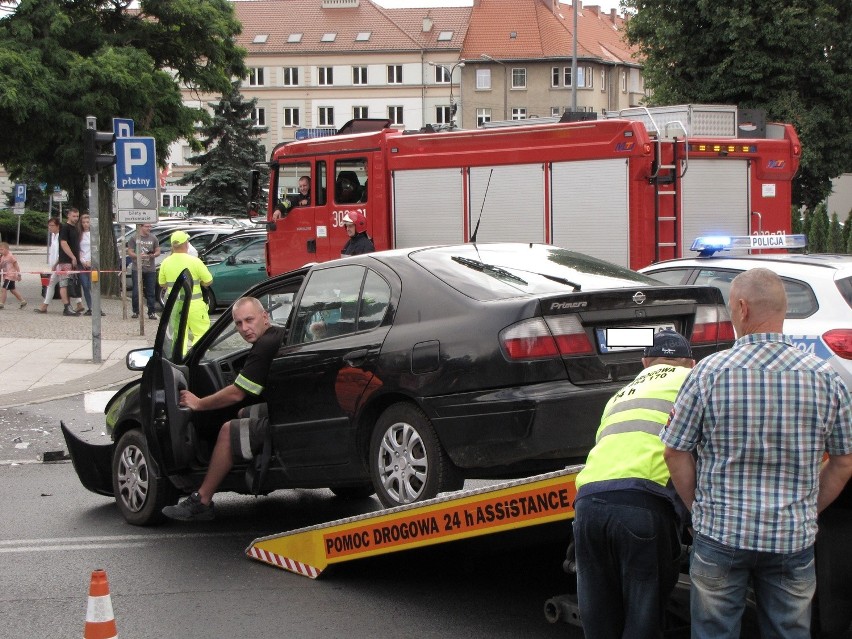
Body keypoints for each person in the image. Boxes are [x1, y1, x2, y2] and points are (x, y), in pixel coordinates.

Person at [661, 268, 852, 639]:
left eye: (732, 308)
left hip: (721, 535)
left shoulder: (707, 373)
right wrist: (808, 510)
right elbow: (844, 462)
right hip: (792, 538)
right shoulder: (827, 378)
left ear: (743, 308)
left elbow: (675, 452)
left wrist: (699, 508)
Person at [573, 329, 694, 639]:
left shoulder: (619, 395)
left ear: (644, 363)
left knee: (599, 623)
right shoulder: (691, 381)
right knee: (643, 621)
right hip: (643, 504)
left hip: (587, 505)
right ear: (691, 363)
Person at [162, 296, 285, 521]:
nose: (244, 328)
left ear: (265, 317)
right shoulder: (276, 334)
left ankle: (202, 500)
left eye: (249, 320)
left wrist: (198, 403)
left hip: (285, 418)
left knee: (228, 431)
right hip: (286, 408)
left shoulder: (264, 346)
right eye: (238, 323)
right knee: (241, 414)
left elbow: (237, 393)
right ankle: (247, 468)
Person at [158, 230, 213, 348]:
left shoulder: (165, 262)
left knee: (179, 336)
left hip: (175, 305)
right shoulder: (195, 261)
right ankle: (195, 358)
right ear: (186, 244)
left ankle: (180, 360)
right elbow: (208, 281)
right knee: (201, 333)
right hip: (194, 305)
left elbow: (162, 284)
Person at [127, 223, 160, 319]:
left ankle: (151, 312)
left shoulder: (153, 238)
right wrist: (138, 256)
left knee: (150, 291)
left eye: (150, 226)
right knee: (136, 291)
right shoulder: (134, 238)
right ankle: (135, 311)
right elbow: (130, 251)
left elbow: (158, 250)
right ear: (141, 227)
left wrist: (153, 255)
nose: (149, 228)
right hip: (137, 268)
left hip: (150, 269)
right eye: (146, 226)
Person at [76, 212, 105, 317]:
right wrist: (82, 261)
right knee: (85, 285)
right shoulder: (79, 234)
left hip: (93, 263)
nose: (85, 224)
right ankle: (90, 307)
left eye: (87, 222)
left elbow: (97, 249)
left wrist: (91, 261)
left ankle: (97, 307)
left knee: (94, 286)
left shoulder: (95, 234)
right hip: (82, 263)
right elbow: (77, 249)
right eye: (83, 222)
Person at [56, 207, 81, 316]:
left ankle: (69, 306)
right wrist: (72, 257)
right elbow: (63, 243)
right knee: (64, 284)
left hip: (72, 261)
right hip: (66, 260)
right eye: (74, 216)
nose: (76, 218)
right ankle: (66, 307)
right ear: (68, 216)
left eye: (77, 216)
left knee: (70, 284)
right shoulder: (65, 228)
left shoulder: (75, 228)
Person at [35, 217, 61, 313]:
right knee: (54, 285)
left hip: (59, 265)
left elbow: (60, 252)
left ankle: (44, 305)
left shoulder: (60, 236)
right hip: (55, 266)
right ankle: (45, 305)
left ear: (58, 226)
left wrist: (55, 264)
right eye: (49, 225)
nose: (50, 228)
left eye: (52, 225)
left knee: (54, 284)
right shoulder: (53, 236)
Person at [0, 242, 26, 309]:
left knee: (3, 289)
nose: (1, 251)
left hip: (10, 275)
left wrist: (19, 274)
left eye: (2, 249)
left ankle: (1, 303)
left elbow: (16, 265)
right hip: (6, 275)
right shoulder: (2, 257)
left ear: (7, 249)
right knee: (12, 290)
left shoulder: (10, 256)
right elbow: (1, 266)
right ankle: (22, 301)